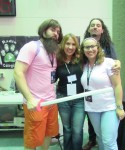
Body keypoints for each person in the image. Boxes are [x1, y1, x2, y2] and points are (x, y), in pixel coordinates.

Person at [14, 19, 63, 150]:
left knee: (48, 134)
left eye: (58, 32)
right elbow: (18, 73)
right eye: (53, 30)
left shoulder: (52, 51)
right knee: (33, 139)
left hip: (51, 101)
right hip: (36, 103)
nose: (56, 34)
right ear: (43, 30)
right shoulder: (31, 47)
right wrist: (30, 99)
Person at [80, 37, 125, 150]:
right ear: (83, 49)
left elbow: (117, 85)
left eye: (92, 46)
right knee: (100, 138)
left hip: (109, 107)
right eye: (87, 47)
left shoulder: (109, 63)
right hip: (92, 108)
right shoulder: (84, 65)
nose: (90, 49)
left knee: (109, 141)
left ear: (98, 48)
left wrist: (119, 107)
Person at [56, 33, 85, 150]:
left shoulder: (81, 58)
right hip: (63, 98)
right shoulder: (57, 60)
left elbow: (98, 57)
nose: (70, 47)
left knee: (77, 130)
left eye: (73, 44)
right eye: (68, 43)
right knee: (67, 129)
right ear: (63, 45)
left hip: (79, 99)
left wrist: (116, 63)